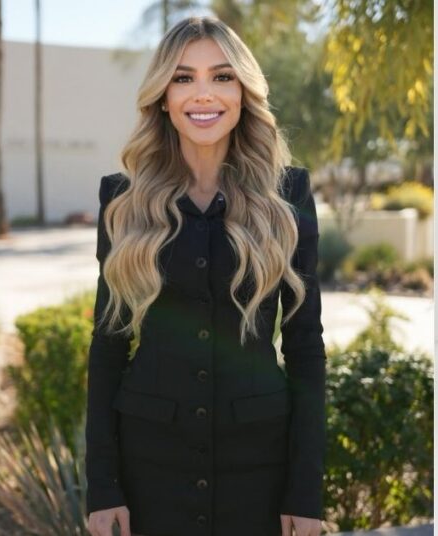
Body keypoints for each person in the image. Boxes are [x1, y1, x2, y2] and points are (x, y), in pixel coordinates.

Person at [84, 17, 326, 535]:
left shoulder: (288, 196)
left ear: (243, 93)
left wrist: (306, 491)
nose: (203, 94)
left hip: (259, 470)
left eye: (221, 76)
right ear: (163, 97)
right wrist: (103, 486)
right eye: (183, 77)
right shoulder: (122, 200)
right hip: (149, 470)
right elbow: (108, 345)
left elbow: (305, 347)